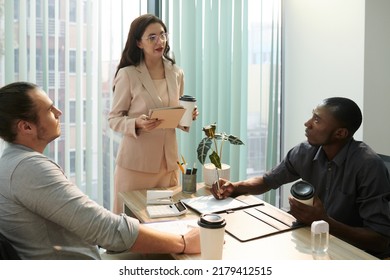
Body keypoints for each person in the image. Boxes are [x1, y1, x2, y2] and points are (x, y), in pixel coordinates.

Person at [0, 81, 200, 260]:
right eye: (49, 109)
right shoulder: (30, 169)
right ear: (26, 127)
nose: (59, 112)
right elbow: (104, 228)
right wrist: (183, 242)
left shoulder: (10, 162)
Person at [211, 97, 390, 258]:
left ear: (340, 133)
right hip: (312, 240)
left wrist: (325, 222)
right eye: (312, 116)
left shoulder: (369, 166)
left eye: (317, 120)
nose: (307, 123)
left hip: (351, 253)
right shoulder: (305, 151)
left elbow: (380, 239)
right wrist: (236, 186)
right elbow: (268, 181)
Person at [108, 14, 198, 214]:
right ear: (139, 42)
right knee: (130, 225)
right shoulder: (128, 74)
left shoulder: (176, 72)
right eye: (152, 37)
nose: (161, 41)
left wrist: (187, 116)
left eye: (163, 35)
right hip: (135, 167)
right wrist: (136, 124)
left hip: (168, 166)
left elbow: (176, 115)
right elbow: (114, 119)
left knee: (167, 223)